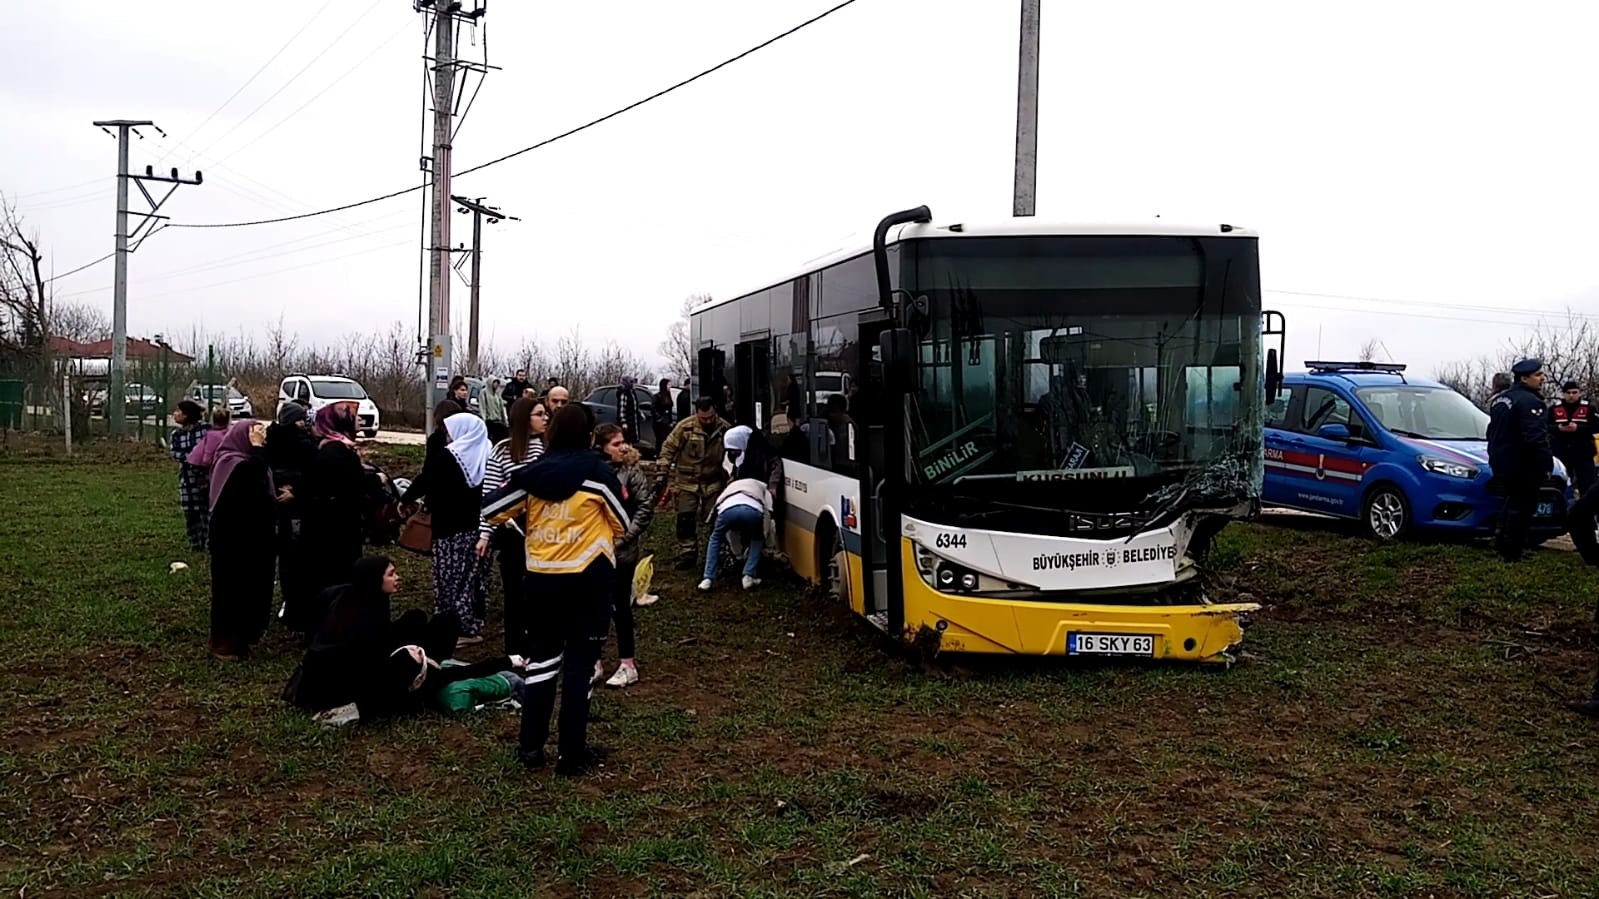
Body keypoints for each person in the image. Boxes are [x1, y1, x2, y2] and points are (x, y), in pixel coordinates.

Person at [483, 404, 627, 776]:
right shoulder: (600, 475)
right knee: (580, 667)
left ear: (551, 434)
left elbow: (493, 508)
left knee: (543, 663)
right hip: (589, 583)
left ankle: (531, 748)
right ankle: (571, 754)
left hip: (543, 581)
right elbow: (623, 524)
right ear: (588, 435)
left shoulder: (531, 475)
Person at [284, 555, 454, 711]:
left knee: (418, 618)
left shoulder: (347, 594)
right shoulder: (365, 617)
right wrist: (415, 657)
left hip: (326, 674)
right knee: (426, 640)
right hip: (341, 685)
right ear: (375, 579)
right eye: (391, 574)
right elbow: (373, 659)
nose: (397, 577)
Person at [403, 405, 494, 648]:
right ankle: (471, 622)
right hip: (479, 531)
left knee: (450, 578)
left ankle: (453, 626)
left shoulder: (448, 456)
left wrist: (408, 499)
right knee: (472, 578)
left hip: (449, 529)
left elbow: (428, 481)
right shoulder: (488, 453)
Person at [477, 397, 549, 655]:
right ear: (523, 419)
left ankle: (542, 645)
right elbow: (490, 494)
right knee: (514, 592)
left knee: (540, 591)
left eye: (545, 414)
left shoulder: (549, 448)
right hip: (512, 531)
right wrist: (485, 533)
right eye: (539, 414)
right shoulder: (503, 450)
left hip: (545, 531)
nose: (545, 418)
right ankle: (516, 651)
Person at [206, 420, 278, 660]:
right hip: (234, 540)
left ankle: (246, 637)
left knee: (253, 589)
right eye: (255, 433)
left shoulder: (251, 461)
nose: (261, 437)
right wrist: (257, 448)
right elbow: (251, 479)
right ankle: (226, 643)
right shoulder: (232, 462)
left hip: (255, 538)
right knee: (233, 590)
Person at [594, 423, 656, 689]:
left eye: (623, 442)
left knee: (620, 606)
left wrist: (625, 537)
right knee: (595, 606)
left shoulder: (632, 470)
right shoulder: (593, 470)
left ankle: (627, 664)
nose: (623, 447)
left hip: (623, 552)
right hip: (595, 550)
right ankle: (594, 663)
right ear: (601, 447)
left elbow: (644, 505)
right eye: (616, 444)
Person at [302, 404, 369, 619]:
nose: (360, 420)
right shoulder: (338, 452)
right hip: (338, 528)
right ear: (341, 422)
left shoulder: (330, 448)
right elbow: (352, 488)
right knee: (337, 575)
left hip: (327, 525)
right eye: (355, 417)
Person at [1486, 358, 1552, 562]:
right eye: (1538, 375)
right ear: (1524, 378)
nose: (1542, 379)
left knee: (1511, 502)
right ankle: (1512, 552)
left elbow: (1491, 432)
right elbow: (1536, 437)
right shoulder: (1531, 402)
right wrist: (1546, 464)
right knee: (1522, 507)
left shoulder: (1500, 400)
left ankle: (1501, 543)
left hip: (1501, 460)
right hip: (1523, 463)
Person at [656, 397, 731, 570]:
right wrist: (662, 474)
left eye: (711, 417)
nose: (708, 421)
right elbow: (668, 450)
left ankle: (716, 553)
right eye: (703, 418)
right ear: (697, 413)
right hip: (687, 482)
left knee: (715, 519)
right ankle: (687, 553)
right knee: (685, 519)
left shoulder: (725, 429)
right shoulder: (685, 427)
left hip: (713, 482)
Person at [265, 402, 321, 633]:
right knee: (298, 555)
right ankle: (297, 603)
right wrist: (297, 490)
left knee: (286, 556)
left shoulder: (269, 441)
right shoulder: (303, 444)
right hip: (298, 505)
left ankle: (288, 601)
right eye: (301, 419)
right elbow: (314, 472)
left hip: (276, 502)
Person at [698, 426, 773, 592]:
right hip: (753, 510)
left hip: (726, 510)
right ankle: (748, 575)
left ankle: (707, 578)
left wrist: (712, 521)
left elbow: (719, 502)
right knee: (757, 538)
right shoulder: (762, 484)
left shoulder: (732, 484)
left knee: (716, 537)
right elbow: (768, 509)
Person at [168, 400, 211, 552]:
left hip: (206, 479)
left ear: (186, 415)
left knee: (206, 511)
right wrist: (194, 458)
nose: (175, 414)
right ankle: (194, 543)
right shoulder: (176, 434)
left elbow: (210, 450)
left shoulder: (206, 430)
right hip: (187, 479)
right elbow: (176, 453)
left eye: (178, 411)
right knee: (190, 512)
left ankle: (208, 544)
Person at [1550, 380, 1595, 495]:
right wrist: (1558, 429)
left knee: (1588, 486)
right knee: (1562, 485)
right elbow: (1545, 426)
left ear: (1579, 393)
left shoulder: (1589, 408)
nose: (1571, 395)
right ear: (1563, 394)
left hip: (1583, 452)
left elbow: (1596, 426)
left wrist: (1578, 428)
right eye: (1568, 393)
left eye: (1574, 392)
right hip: (1562, 453)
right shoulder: (1554, 409)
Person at [617, 376, 645, 446]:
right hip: (628, 422)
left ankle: (631, 450)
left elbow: (635, 407)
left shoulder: (632, 393)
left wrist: (640, 414)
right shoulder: (624, 394)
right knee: (626, 439)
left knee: (633, 440)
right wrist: (623, 422)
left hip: (633, 420)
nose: (635, 385)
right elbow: (622, 409)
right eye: (633, 383)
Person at [481, 377, 509, 443]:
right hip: (489, 421)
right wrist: (484, 419)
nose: (496, 385)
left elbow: (501, 407)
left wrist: (505, 420)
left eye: (497, 383)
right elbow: (482, 407)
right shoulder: (484, 393)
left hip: (498, 421)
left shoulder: (497, 394)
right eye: (495, 383)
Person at [652, 378, 675, 448]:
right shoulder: (657, 396)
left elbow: (670, 409)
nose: (670, 386)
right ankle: (658, 454)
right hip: (659, 422)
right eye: (668, 384)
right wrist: (659, 418)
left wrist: (670, 421)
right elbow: (653, 408)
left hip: (667, 421)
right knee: (660, 439)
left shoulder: (668, 396)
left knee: (666, 439)